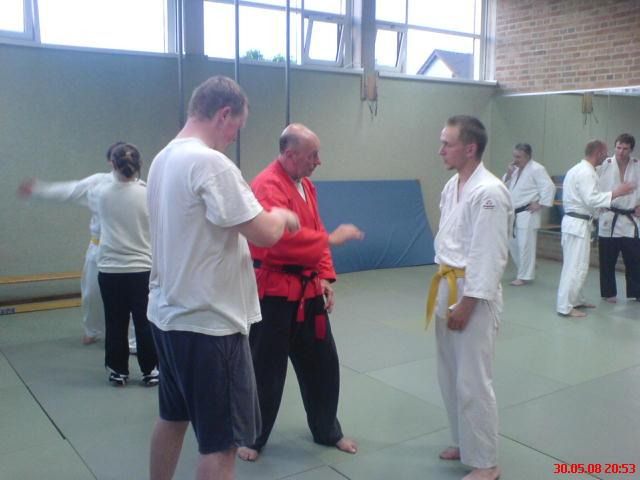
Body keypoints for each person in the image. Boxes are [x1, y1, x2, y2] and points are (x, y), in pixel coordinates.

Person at [146, 76, 299, 480]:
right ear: (223, 114)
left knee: (172, 417)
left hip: (167, 316)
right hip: (208, 324)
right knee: (222, 444)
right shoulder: (209, 163)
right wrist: (282, 215)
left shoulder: (163, 159)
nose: (233, 138)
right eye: (236, 128)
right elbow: (263, 232)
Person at [237, 123, 363, 462]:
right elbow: (278, 240)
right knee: (266, 369)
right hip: (274, 293)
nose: (318, 161)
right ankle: (252, 437)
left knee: (323, 364)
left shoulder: (306, 184)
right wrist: (331, 240)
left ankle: (327, 430)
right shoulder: (266, 185)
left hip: (307, 291)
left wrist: (324, 278)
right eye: (312, 155)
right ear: (290, 154)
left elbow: (315, 229)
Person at [426, 115, 511, 480]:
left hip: (472, 291)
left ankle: (486, 462)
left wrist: (469, 301)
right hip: (448, 281)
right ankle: (463, 442)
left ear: (470, 148)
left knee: (473, 379)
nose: (441, 150)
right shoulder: (453, 184)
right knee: (449, 373)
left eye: (447, 143)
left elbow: (488, 253)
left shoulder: (489, 192)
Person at [18, 143, 137, 350]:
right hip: (100, 247)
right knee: (91, 293)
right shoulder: (98, 183)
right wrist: (39, 189)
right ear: (110, 162)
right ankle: (93, 330)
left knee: (135, 298)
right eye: (118, 156)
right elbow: (70, 190)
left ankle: (134, 341)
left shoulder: (142, 188)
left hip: (133, 252)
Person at [94, 143, 158, 386]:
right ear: (140, 165)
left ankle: (118, 371)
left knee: (115, 321)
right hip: (141, 269)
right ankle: (150, 370)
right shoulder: (148, 193)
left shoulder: (100, 192)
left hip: (110, 270)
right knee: (145, 321)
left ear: (112, 164)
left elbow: (70, 191)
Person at [556, 140, 635, 318]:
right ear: (598, 153)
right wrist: (617, 192)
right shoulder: (586, 172)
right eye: (604, 153)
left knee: (579, 266)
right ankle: (564, 306)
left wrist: (601, 208)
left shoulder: (579, 169)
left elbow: (585, 201)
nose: (606, 157)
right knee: (574, 267)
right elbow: (591, 199)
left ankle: (576, 299)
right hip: (577, 224)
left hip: (578, 222)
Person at [502, 143, 555, 286]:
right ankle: (526, 267)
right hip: (514, 213)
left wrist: (540, 203)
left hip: (528, 212)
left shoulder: (537, 169)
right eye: (514, 156)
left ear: (528, 156)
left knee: (525, 245)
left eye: (518, 157)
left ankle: (524, 276)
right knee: (513, 244)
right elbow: (504, 187)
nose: (515, 160)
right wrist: (508, 174)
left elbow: (549, 187)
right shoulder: (514, 170)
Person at [596, 133, 640, 303]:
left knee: (635, 259)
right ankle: (609, 292)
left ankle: (637, 292)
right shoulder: (604, 165)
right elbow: (592, 187)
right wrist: (598, 202)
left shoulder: (638, 166)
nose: (621, 152)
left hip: (631, 219)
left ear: (631, 150)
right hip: (609, 216)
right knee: (607, 259)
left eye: (625, 148)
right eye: (618, 147)